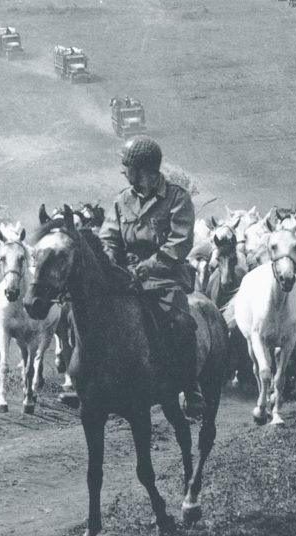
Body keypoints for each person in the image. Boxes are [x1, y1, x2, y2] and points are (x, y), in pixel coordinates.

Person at [97, 135, 205, 417]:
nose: (123, 171)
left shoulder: (177, 198)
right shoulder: (122, 201)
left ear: (143, 169)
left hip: (164, 278)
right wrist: (108, 259)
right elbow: (108, 237)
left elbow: (179, 243)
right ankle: (92, 380)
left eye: (127, 165)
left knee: (181, 323)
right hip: (125, 279)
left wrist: (146, 267)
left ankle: (191, 388)